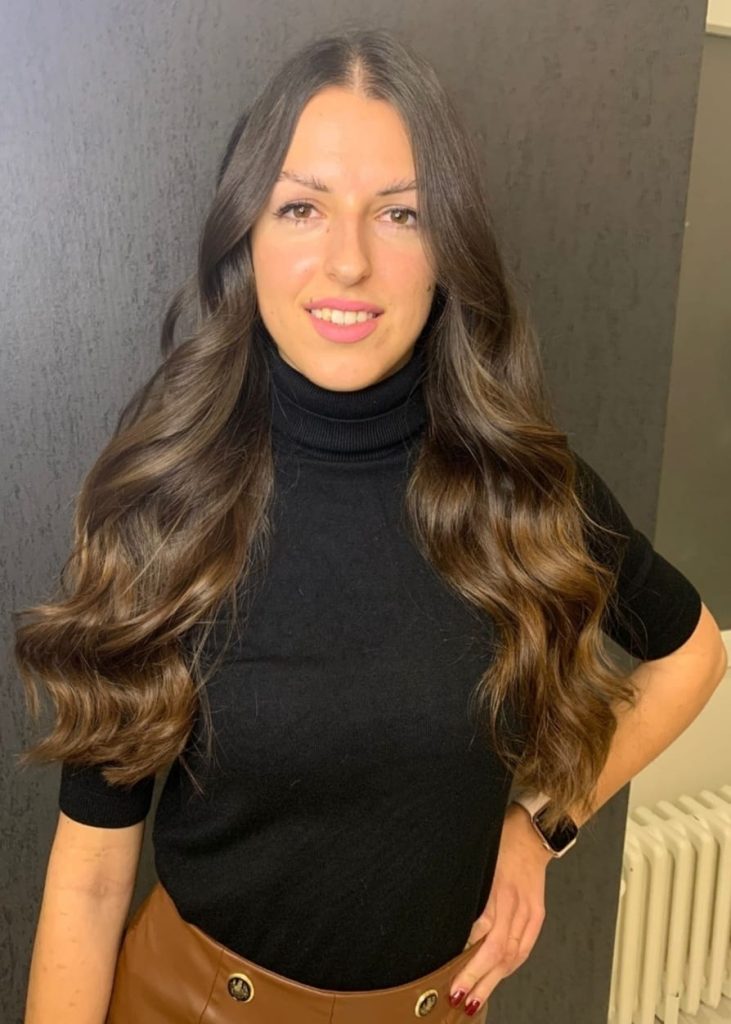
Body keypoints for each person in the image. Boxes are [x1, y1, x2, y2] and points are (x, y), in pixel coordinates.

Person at [15, 26, 726, 1024]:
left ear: (447, 248)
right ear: (246, 236)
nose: (347, 262)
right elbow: (91, 881)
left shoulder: (524, 491)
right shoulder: (162, 505)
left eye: (399, 213)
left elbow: (691, 657)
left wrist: (539, 828)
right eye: (301, 207)